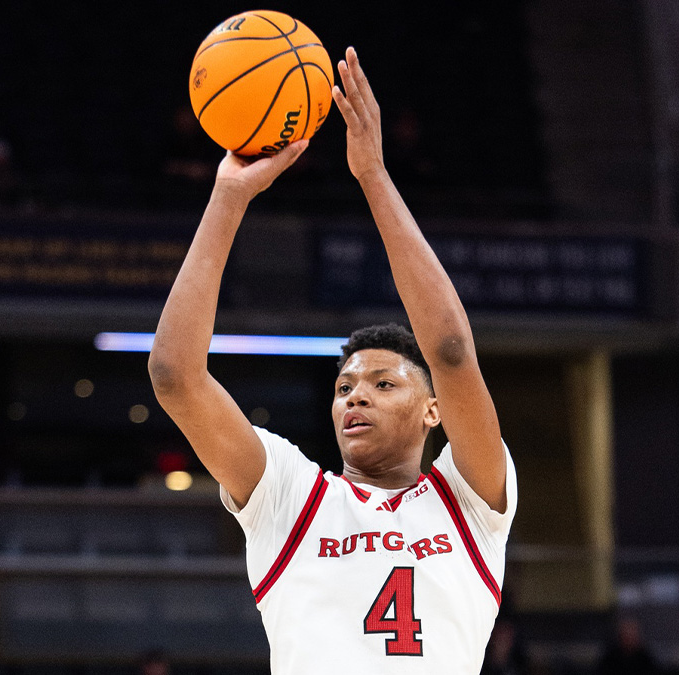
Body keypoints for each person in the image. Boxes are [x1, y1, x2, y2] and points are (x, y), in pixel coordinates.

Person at [149, 47, 516, 674]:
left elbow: (451, 352)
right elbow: (175, 377)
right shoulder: (291, 497)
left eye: (381, 382)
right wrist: (228, 197)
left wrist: (373, 175)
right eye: (345, 386)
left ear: (434, 410)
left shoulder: (471, 498)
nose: (355, 396)